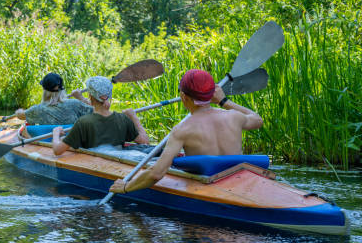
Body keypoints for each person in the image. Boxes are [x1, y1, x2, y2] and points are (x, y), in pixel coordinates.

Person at [109, 69, 263, 194]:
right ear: (213, 94)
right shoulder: (234, 117)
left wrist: (125, 187)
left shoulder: (182, 130)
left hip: (207, 183)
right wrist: (224, 101)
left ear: (183, 96)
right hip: (238, 179)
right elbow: (257, 119)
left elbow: (156, 173)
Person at [52, 76, 149, 155]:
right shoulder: (123, 118)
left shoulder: (83, 122)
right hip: (118, 162)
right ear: (109, 95)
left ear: (90, 96)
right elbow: (144, 142)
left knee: (61, 139)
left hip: (96, 165)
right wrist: (133, 117)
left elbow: (57, 151)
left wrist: (56, 133)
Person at [15, 72, 92, 126]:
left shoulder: (37, 110)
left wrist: (19, 112)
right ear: (62, 89)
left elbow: (20, 116)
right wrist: (81, 98)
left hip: (49, 142)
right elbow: (99, 112)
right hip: (72, 142)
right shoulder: (75, 104)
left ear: (44, 91)